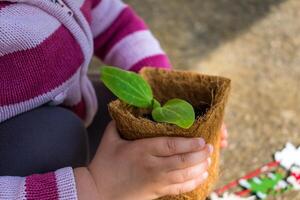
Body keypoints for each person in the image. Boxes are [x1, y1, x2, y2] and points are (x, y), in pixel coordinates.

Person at [0, 0, 228, 199]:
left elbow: (110, 20)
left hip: (71, 104)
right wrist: (92, 188)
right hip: (18, 166)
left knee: (123, 109)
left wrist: (163, 88)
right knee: (59, 135)